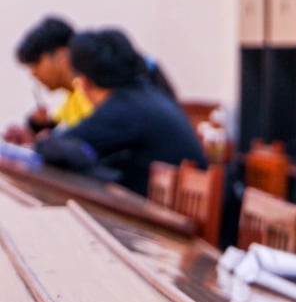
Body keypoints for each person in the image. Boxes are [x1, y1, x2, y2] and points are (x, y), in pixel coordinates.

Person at [33, 29, 203, 197]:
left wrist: (43, 141)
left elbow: (60, 144)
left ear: (84, 82)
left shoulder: (124, 107)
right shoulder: (146, 95)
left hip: (168, 219)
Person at [5, 16, 94, 144]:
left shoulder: (92, 92)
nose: (33, 73)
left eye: (36, 62)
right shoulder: (71, 100)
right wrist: (34, 132)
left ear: (62, 53)